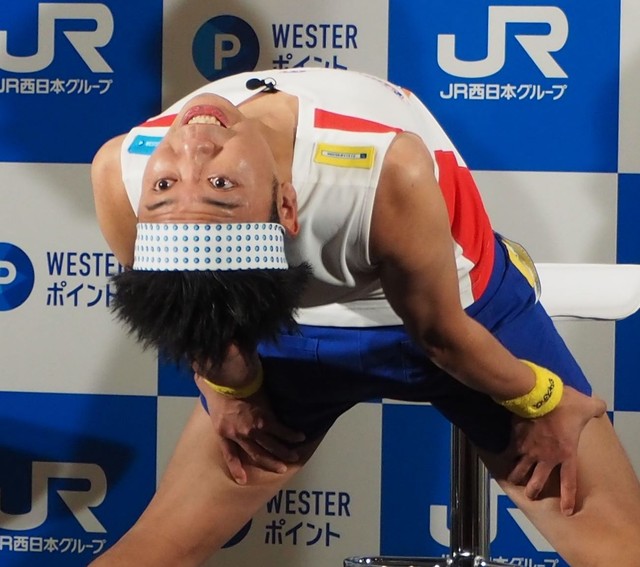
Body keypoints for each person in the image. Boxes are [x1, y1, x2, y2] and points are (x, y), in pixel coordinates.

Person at [90, 68, 640, 566]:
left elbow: (436, 335)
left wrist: (232, 389)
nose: (192, 150)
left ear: (288, 206)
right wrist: (545, 399)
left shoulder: (125, 166)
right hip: (447, 332)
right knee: (622, 548)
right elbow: (188, 309)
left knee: (159, 547)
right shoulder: (385, 164)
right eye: (216, 186)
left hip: (366, 336)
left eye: (176, 186)